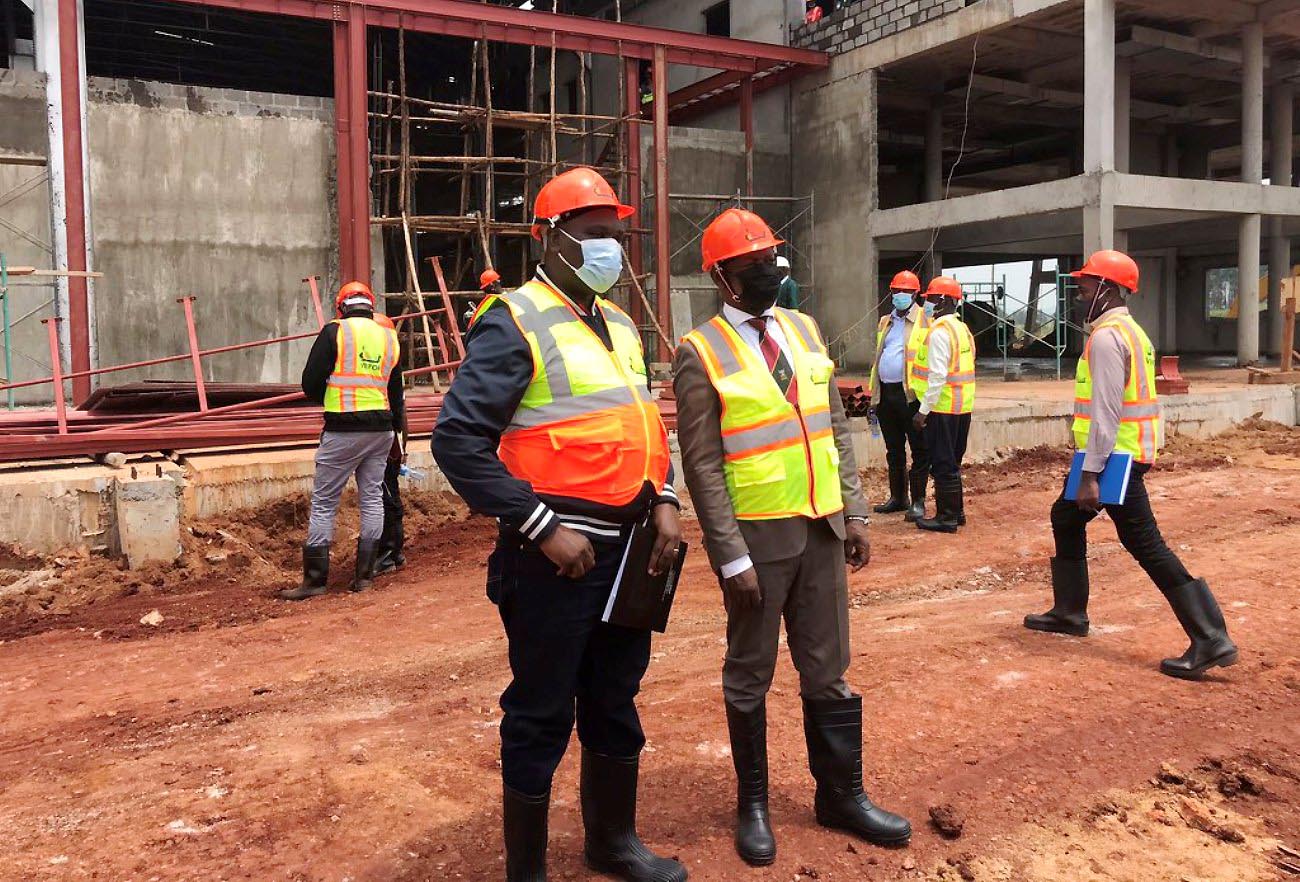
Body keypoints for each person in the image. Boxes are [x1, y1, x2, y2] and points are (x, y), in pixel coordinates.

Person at [432, 167, 687, 882]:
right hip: (553, 560)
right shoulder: (514, 321)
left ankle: (613, 842)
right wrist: (540, 524)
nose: (611, 247)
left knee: (615, 698)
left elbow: (641, 425)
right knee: (541, 713)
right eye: (593, 234)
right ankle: (528, 872)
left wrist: (664, 495)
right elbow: (456, 442)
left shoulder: (621, 325)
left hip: (629, 554)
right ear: (549, 239)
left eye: (617, 235)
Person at [674, 207, 911, 867]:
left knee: (829, 670)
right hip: (757, 541)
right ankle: (753, 806)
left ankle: (842, 795)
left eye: (770, 259)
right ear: (722, 278)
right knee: (749, 675)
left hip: (822, 531)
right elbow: (702, 465)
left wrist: (856, 511)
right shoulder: (700, 353)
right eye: (751, 266)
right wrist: (730, 556)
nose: (766, 272)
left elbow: (833, 425)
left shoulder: (804, 332)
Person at [1024, 250, 1238, 679]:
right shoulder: (1131, 332)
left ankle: (1211, 638)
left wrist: (1089, 475)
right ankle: (1070, 611)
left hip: (1112, 458)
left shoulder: (1105, 338)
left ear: (1108, 289)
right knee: (1065, 517)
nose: (1079, 296)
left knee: (1144, 542)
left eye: (1085, 288)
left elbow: (1105, 412)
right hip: (1118, 453)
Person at [283, 281, 402, 600]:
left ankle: (315, 581)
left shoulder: (335, 331)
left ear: (341, 307)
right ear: (371, 306)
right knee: (372, 498)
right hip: (381, 429)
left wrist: (333, 397)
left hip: (343, 429)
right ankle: (364, 577)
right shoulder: (389, 336)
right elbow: (393, 388)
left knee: (324, 502)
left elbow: (310, 384)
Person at [910, 276, 976, 533]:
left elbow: (937, 376)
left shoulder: (939, 332)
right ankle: (956, 512)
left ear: (946, 301)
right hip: (962, 408)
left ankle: (946, 517)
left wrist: (922, 411)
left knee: (942, 463)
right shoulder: (962, 329)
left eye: (932, 299)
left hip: (942, 409)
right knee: (952, 462)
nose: (927, 304)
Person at [867, 270, 931, 522]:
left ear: (915, 294)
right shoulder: (886, 321)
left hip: (911, 395)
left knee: (919, 449)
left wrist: (925, 404)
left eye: (905, 291)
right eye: (896, 291)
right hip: (887, 393)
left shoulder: (926, 321)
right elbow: (878, 359)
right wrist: (874, 398)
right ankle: (898, 498)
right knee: (893, 449)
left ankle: (918, 501)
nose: (900, 295)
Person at [369, 311, 407, 577]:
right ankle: (393, 552)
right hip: (389, 433)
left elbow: (396, 403)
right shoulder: (389, 360)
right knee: (387, 491)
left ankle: (388, 554)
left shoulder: (383, 364)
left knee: (385, 494)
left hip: (385, 433)